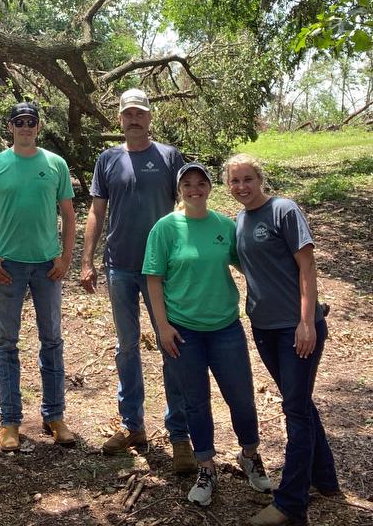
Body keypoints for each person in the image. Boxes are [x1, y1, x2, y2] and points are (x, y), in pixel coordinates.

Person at [143, 162, 272, 507]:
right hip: (183, 332)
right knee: (195, 403)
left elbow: (250, 264)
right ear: (179, 189)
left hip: (225, 327)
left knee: (241, 397)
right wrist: (163, 326)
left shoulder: (225, 226)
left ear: (210, 188)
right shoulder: (165, 229)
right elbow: (153, 279)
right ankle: (206, 467)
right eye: (188, 184)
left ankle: (250, 455)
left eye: (201, 183)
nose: (195, 189)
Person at [80, 88, 194, 472]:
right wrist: (87, 260)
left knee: (171, 345)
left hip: (163, 270)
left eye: (139, 113)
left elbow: (186, 205)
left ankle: (179, 435)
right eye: (127, 113)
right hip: (120, 267)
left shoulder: (169, 157)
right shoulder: (107, 159)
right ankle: (133, 426)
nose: (133, 119)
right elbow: (97, 211)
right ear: (119, 119)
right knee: (126, 347)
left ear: (149, 117)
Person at [224, 154, 339, 526]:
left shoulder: (284, 211)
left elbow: (307, 266)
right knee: (299, 402)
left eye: (247, 179)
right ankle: (325, 479)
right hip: (263, 328)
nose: (241, 187)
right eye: (234, 181)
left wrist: (307, 321)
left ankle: (290, 504)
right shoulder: (240, 220)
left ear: (260, 179)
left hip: (296, 328)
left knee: (295, 411)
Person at [0, 102, 76, 452]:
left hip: (47, 267)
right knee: (7, 344)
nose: (25, 127)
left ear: (38, 126)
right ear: (10, 127)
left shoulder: (55, 164)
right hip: (9, 268)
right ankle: (10, 421)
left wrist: (66, 258)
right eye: (19, 122)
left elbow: (68, 214)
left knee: (52, 340)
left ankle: (55, 415)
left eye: (30, 122)